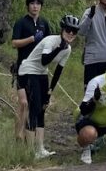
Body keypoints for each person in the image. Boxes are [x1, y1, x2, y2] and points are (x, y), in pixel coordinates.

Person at [18, 13, 79, 159]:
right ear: (62, 30)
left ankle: (40, 148)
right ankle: (30, 151)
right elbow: (45, 60)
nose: (70, 33)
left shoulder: (68, 49)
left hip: (41, 73)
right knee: (34, 107)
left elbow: (58, 71)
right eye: (68, 30)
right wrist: (59, 48)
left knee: (42, 108)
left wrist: (50, 92)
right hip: (28, 70)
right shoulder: (50, 41)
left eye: (74, 31)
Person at [11, 0, 51, 141]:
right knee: (23, 103)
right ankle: (18, 136)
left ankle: (30, 135)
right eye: (32, 3)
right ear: (28, 5)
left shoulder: (44, 23)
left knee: (36, 104)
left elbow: (50, 43)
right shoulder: (21, 22)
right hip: (22, 68)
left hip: (38, 70)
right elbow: (14, 43)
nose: (35, 6)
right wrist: (31, 39)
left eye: (38, 4)